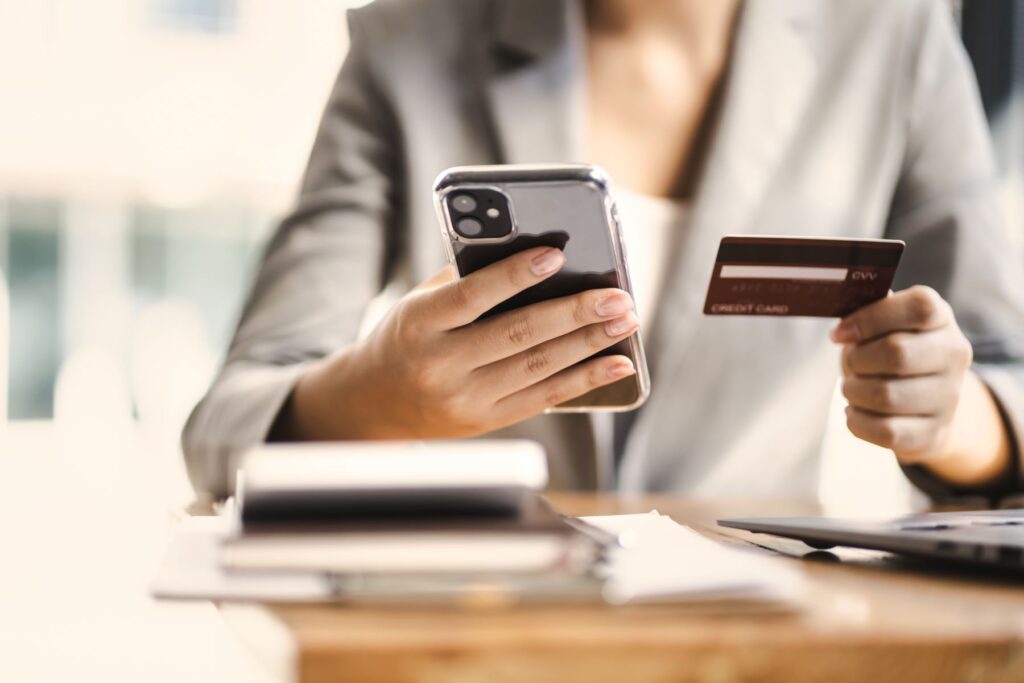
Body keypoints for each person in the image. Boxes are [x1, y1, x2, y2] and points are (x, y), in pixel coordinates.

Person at [183, 0, 1024, 501]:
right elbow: (223, 428)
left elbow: (1006, 378)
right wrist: (382, 396)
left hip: (764, 636)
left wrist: (951, 419)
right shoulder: (408, 44)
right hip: (477, 632)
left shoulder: (893, 40)